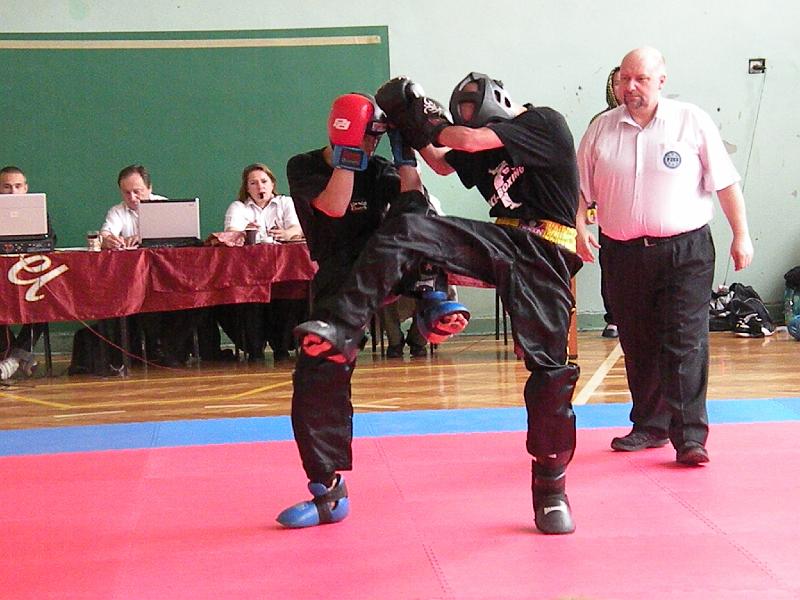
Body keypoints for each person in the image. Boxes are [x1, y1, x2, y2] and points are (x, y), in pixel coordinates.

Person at [279, 73, 582, 535]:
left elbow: (460, 144)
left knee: (551, 373)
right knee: (410, 232)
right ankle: (350, 334)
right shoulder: (305, 165)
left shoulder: (542, 122)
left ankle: (551, 489)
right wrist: (406, 132)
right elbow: (442, 162)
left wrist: (421, 120)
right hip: (479, 246)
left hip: (545, 252)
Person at [276, 90, 469, 530]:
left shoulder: (380, 168)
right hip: (339, 282)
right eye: (366, 136)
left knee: (417, 218)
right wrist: (348, 154)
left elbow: (413, 207)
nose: (371, 146)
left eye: (376, 138)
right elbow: (333, 206)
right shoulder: (303, 165)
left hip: (387, 268)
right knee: (315, 380)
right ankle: (328, 491)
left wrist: (405, 158)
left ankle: (432, 302)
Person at [576, 47, 753, 465]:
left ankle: (690, 437)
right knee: (637, 341)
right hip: (622, 253)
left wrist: (741, 235)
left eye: (640, 79)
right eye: (624, 79)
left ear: (661, 81)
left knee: (684, 341)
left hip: (685, 252)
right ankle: (649, 426)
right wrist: (580, 227)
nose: (630, 87)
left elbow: (725, 183)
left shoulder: (691, 121)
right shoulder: (600, 130)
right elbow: (579, 190)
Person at [222, 163, 306, 363]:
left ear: (272, 184)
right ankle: (255, 350)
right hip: (249, 271)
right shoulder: (238, 207)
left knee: (291, 293)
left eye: (264, 181)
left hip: (284, 268)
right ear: (247, 187)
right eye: (253, 183)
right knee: (250, 298)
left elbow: (297, 228)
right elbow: (231, 233)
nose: (260, 187)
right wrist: (245, 233)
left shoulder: (285, 202)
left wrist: (287, 233)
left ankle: (283, 348)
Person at [585, 67, 623, 339]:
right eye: (619, 82)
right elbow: (588, 169)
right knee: (611, 264)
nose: (626, 88)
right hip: (608, 206)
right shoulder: (600, 123)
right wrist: (589, 206)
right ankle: (614, 319)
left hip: (641, 208)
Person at [0, 166, 48, 380]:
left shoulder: (39, 212)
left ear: (26, 188)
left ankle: (14, 359)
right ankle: (19, 356)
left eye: (18, 186)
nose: (13, 192)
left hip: (28, 276)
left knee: (45, 304)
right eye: (7, 187)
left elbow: (49, 241)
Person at [99, 164, 166, 249]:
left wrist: (144, 240)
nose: (132, 198)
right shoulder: (117, 212)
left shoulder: (165, 206)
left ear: (149, 188)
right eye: (127, 193)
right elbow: (104, 235)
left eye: (137, 191)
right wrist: (107, 241)